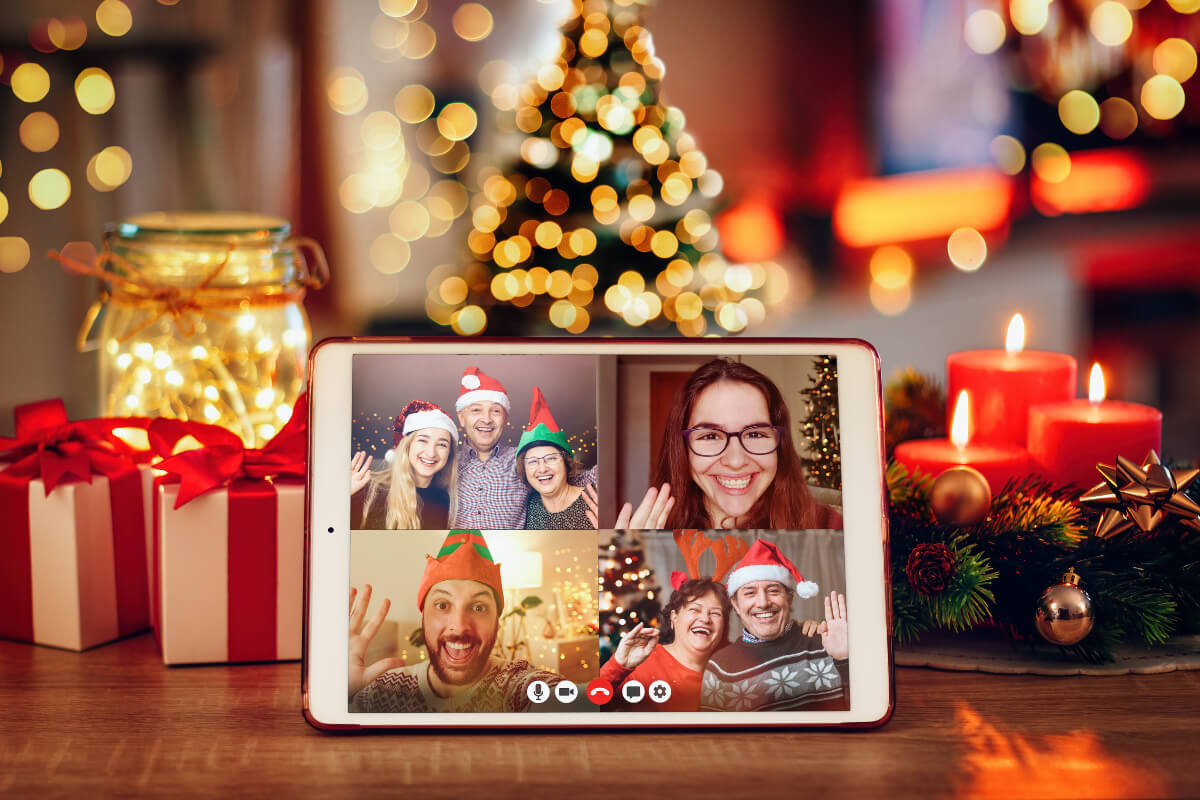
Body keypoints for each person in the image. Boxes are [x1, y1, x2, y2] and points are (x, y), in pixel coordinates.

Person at [349, 530, 568, 713]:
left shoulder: (520, 684)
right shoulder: (382, 691)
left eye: (478, 607)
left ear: (497, 622)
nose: (460, 626)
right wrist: (345, 694)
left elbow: (563, 699)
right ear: (423, 618)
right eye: (442, 605)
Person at [617, 358, 843, 530]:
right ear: (682, 450)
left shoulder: (830, 527)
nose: (736, 461)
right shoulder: (649, 536)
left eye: (755, 434)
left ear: (779, 445)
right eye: (710, 436)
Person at [699, 539, 849, 712]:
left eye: (773, 590)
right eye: (750, 593)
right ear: (736, 605)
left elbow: (859, 715)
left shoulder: (827, 644)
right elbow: (713, 737)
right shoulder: (719, 668)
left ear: (790, 598)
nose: (763, 603)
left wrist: (845, 660)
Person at [453, 366, 595, 529]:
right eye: (476, 410)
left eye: (496, 411)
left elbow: (567, 477)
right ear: (462, 418)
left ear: (505, 418)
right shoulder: (447, 465)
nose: (486, 419)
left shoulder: (522, 460)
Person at [598, 577, 731, 712]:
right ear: (674, 617)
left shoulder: (733, 672)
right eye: (695, 610)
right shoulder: (642, 662)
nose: (705, 619)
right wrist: (619, 665)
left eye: (715, 613)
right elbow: (590, 707)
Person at [350, 400, 458, 530]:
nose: (431, 452)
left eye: (442, 444)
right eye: (423, 440)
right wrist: (341, 499)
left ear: (449, 453)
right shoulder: (369, 491)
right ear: (407, 446)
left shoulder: (444, 501)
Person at [517, 386, 597, 530]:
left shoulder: (595, 501)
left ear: (566, 463)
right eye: (533, 461)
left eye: (551, 458)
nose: (542, 468)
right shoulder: (528, 506)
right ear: (524, 470)